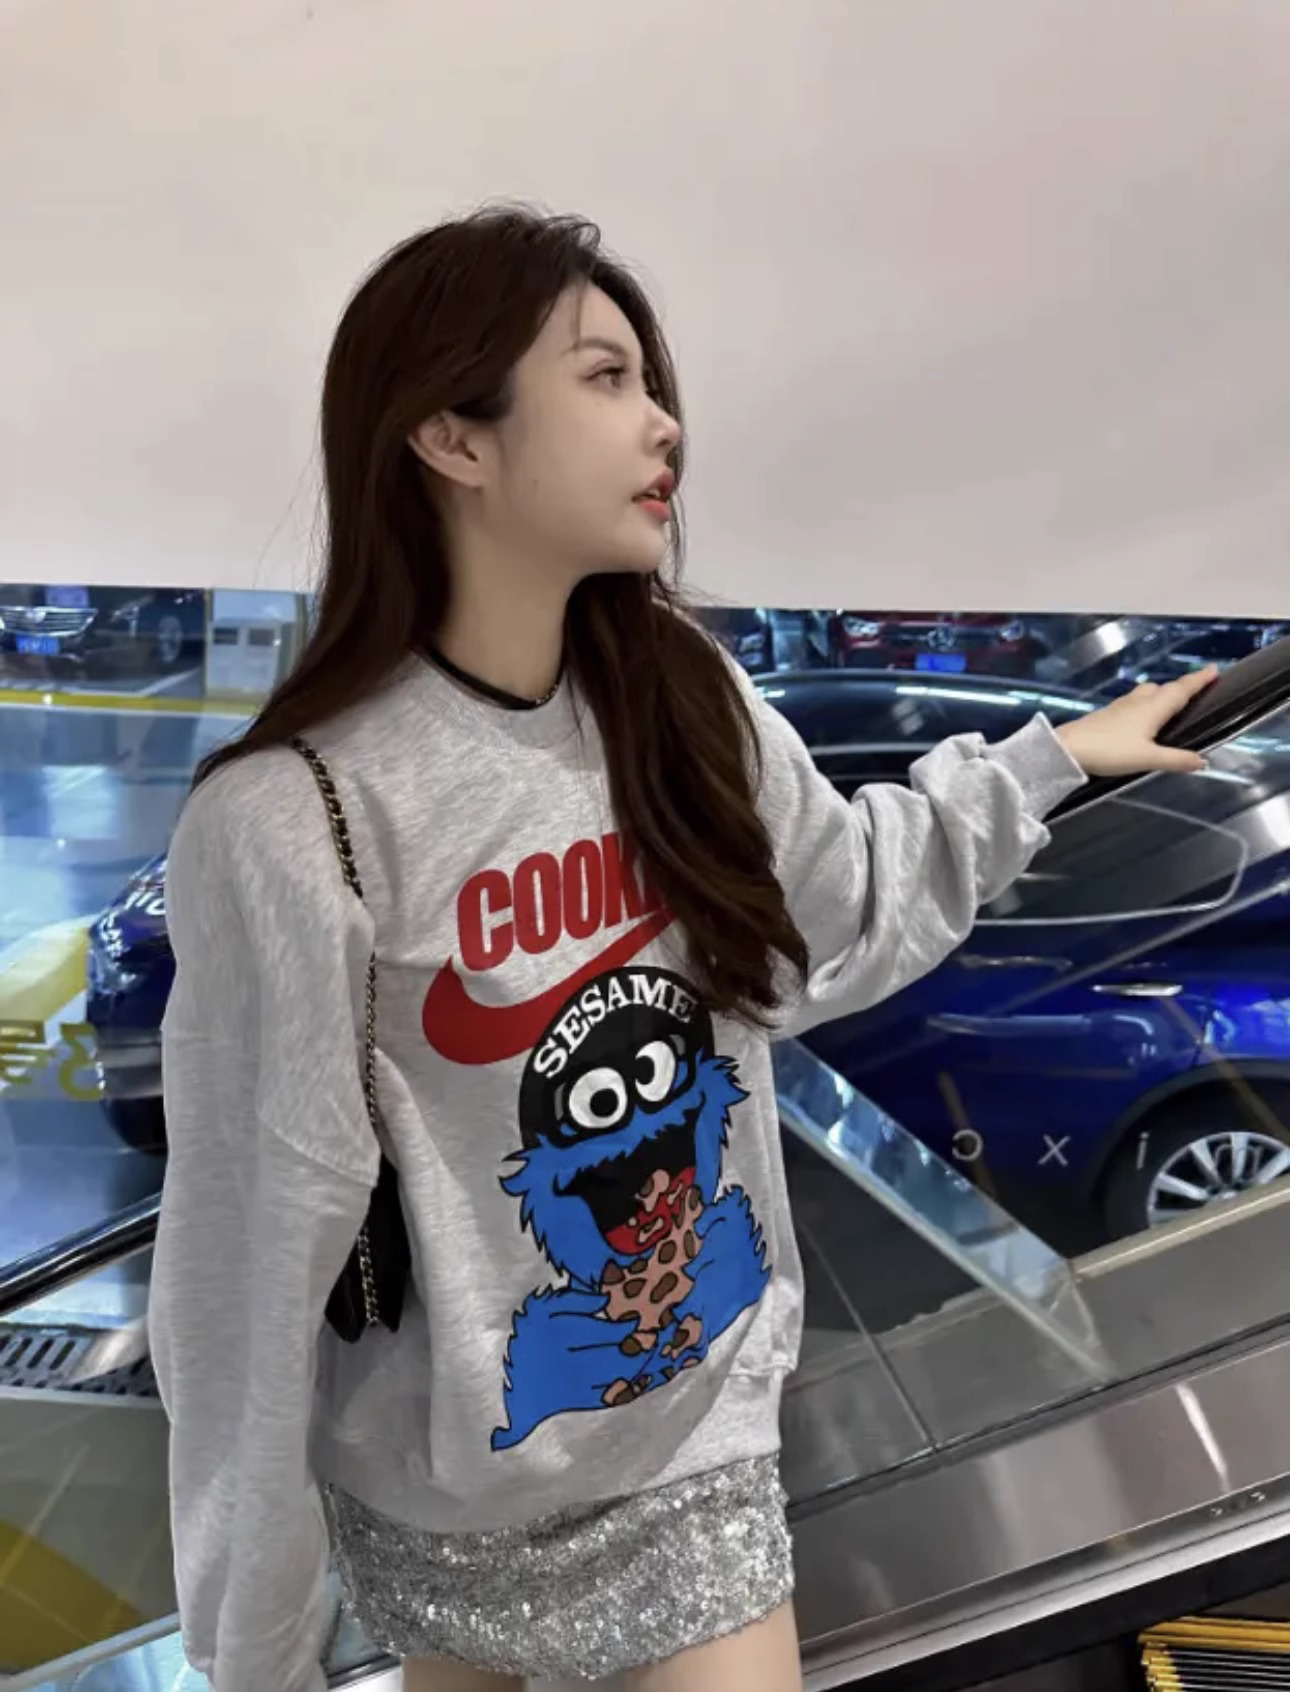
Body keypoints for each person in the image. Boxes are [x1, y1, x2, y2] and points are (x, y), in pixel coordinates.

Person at [148, 206, 1215, 1692]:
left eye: (651, 382)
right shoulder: (293, 817)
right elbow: (251, 1258)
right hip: (441, 1505)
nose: (664, 424)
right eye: (605, 378)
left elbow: (828, 916)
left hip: (692, 1452)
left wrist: (1047, 765)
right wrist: (257, 1650)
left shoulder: (677, 695)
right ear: (451, 436)